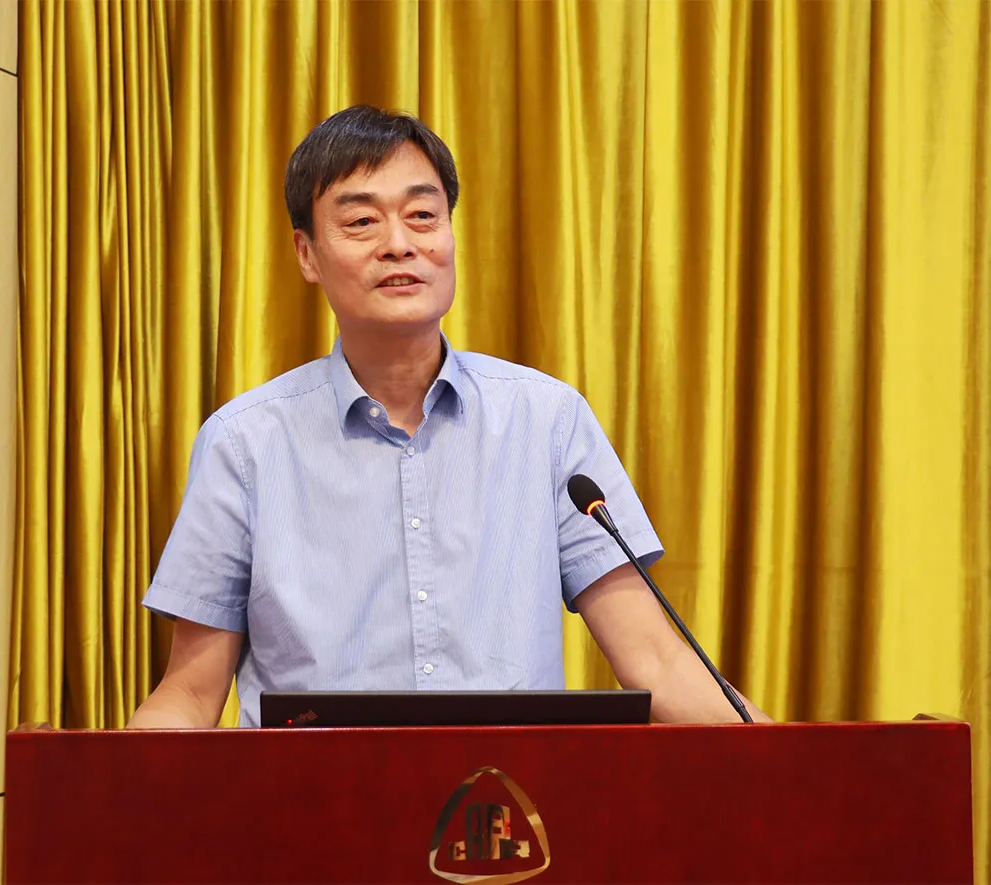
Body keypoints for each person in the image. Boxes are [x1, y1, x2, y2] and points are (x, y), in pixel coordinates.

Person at [127, 105, 769, 729]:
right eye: (361, 222)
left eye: (422, 216)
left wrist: (794, 766)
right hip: (316, 798)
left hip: (508, 799)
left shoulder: (547, 420)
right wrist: (117, 784)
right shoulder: (244, 443)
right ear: (307, 254)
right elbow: (190, 692)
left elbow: (656, 661)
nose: (399, 245)